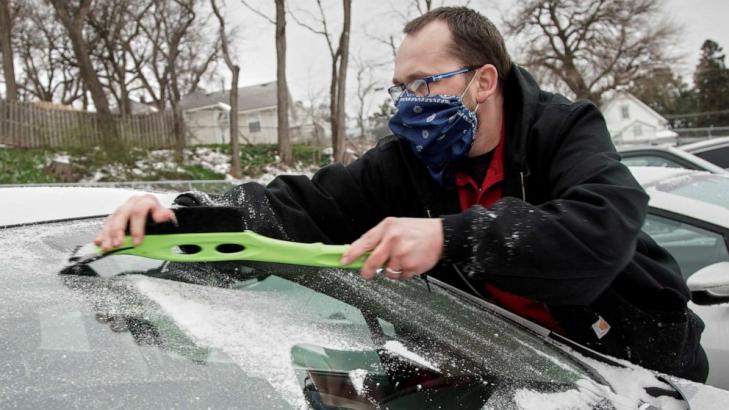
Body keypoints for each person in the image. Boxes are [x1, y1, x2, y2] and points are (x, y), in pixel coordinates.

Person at [95, 7, 708, 382]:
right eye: (400, 87)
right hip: (512, 367)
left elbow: (597, 232)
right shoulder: (406, 163)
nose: (408, 103)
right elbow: (303, 204)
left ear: (483, 80)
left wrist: (446, 235)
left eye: (425, 82)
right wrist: (179, 215)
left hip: (633, 366)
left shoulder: (564, 130)